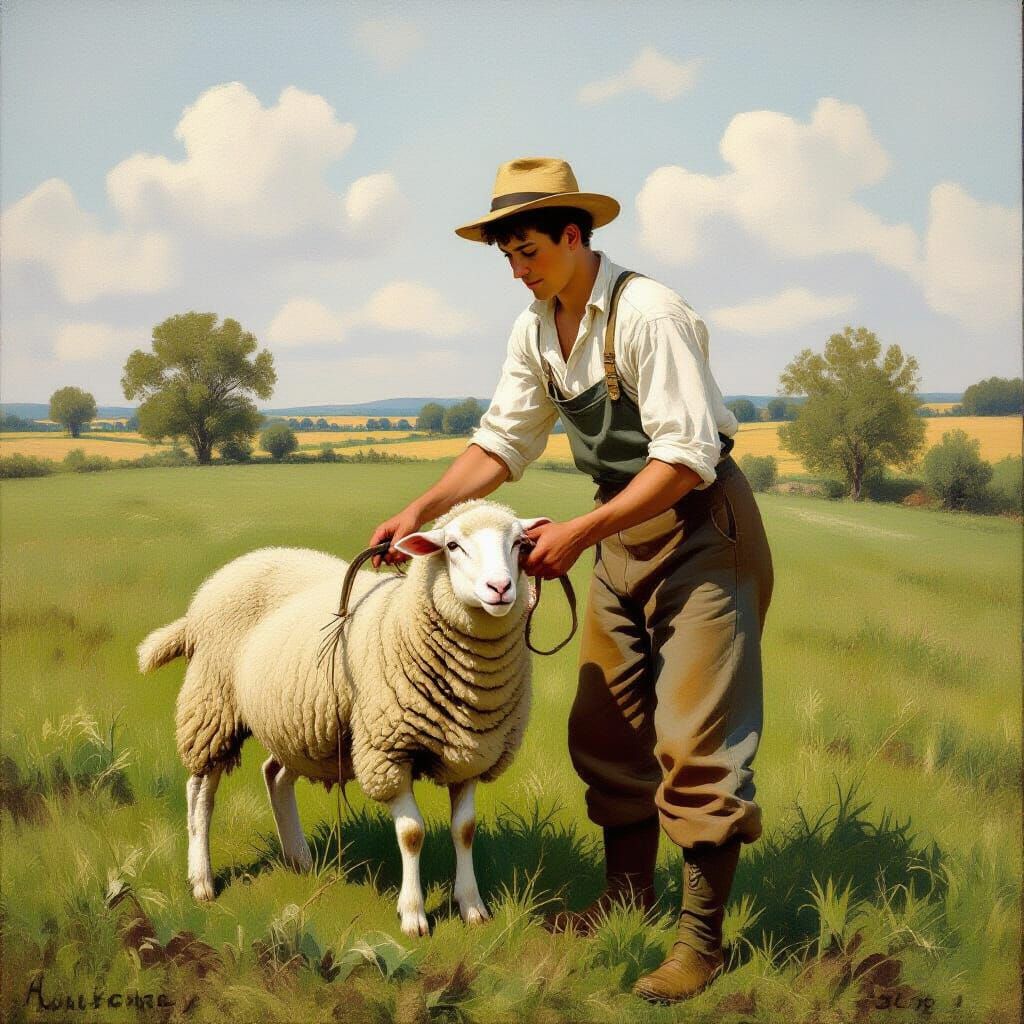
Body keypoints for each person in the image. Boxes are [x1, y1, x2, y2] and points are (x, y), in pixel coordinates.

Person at [369, 156, 773, 1004]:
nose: (518, 269)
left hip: (702, 533)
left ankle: (701, 944)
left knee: (695, 739)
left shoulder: (649, 314)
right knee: (605, 726)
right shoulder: (536, 328)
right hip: (620, 533)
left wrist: (585, 532)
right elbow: (502, 444)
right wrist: (423, 510)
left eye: (528, 251)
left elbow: (689, 457)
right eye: (507, 256)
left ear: (574, 235)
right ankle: (625, 898)